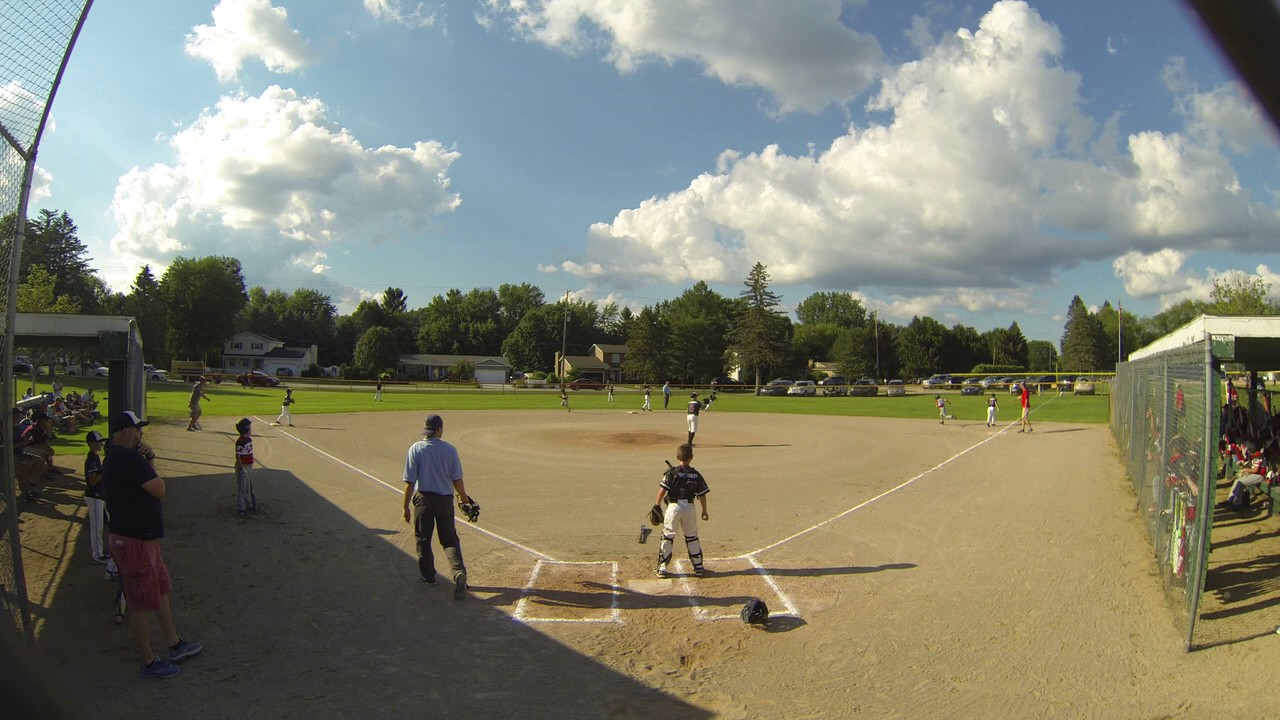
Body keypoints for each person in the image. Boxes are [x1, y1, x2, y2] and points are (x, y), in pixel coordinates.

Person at [101, 411, 203, 679]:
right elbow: (159, 488)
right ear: (126, 432)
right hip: (133, 541)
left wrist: (149, 459)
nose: (141, 433)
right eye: (137, 429)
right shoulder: (126, 457)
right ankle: (148, 661)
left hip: (142, 539)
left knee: (160, 590)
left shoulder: (121, 457)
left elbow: (150, 483)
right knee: (139, 602)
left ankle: (174, 643)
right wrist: (147, 461)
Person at [402, 414, 473, 600]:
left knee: (423, 539)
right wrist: (464, 499)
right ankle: (458, 572)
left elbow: (409, 482)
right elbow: (457, 480)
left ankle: (429, 576)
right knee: (449, 540)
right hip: (445, 501)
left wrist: (405, 507)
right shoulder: (450, 450)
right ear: (439, 429)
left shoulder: (416, 448)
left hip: (423, 500)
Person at [655, 443, 709, 578]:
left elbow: (661, 492)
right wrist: (704, 511)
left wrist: (657, 505)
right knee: (692, 537)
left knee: (668, 536)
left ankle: (662, 567)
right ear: (691, 457)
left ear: (677, 457)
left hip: (673, 508)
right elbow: (702, 495)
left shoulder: (670, 474)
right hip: (689, 508)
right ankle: (698, 567)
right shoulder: (695, 474)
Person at [84, 431, 115, 567]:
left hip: (99, 496)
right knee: (97, 527)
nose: (101, 444)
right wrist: (105, 471)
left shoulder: (95, 457)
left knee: (100, 526)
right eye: (99, 441)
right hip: (94, 496)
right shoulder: (92, 458)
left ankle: (100, 552)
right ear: (92, 443)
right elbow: (93, 481)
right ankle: (97, 555)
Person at [234, 418, 257, 515]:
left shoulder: (249, 439)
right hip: (242, 466)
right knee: (242, 488)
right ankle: (241, 507)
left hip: (248, 465)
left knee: (247, 486)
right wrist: (241, 467)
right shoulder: (240, 441)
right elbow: (238, 455)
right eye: (249, 428)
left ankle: (247, 504)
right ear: (245, 429)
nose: (251, 429)